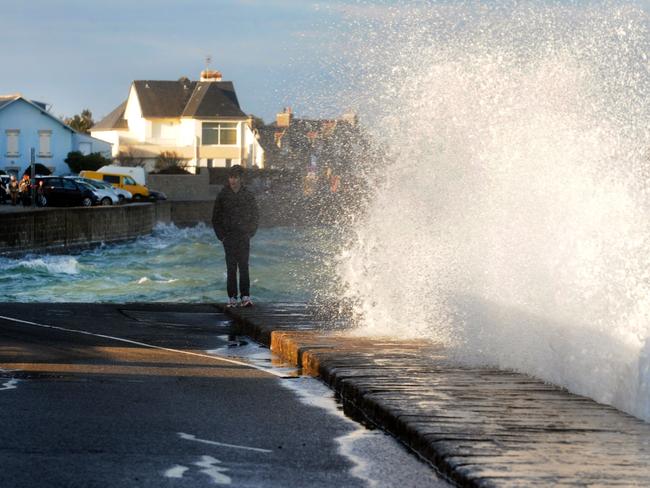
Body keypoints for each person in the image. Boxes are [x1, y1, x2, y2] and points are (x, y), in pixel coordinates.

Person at [211, 165, 259, 307]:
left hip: (244, 236)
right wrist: (221, 236)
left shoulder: (248, 195)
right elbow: (215, 218)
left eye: (235, 177)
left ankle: (245, 297)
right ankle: (232, 297)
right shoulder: (223, 195)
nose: (232, 180)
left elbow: (255, 215)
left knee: (244, 266)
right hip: (228, 236)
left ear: (241, 179)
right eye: (231, 177)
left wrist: (250, 232)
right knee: (231, 267)